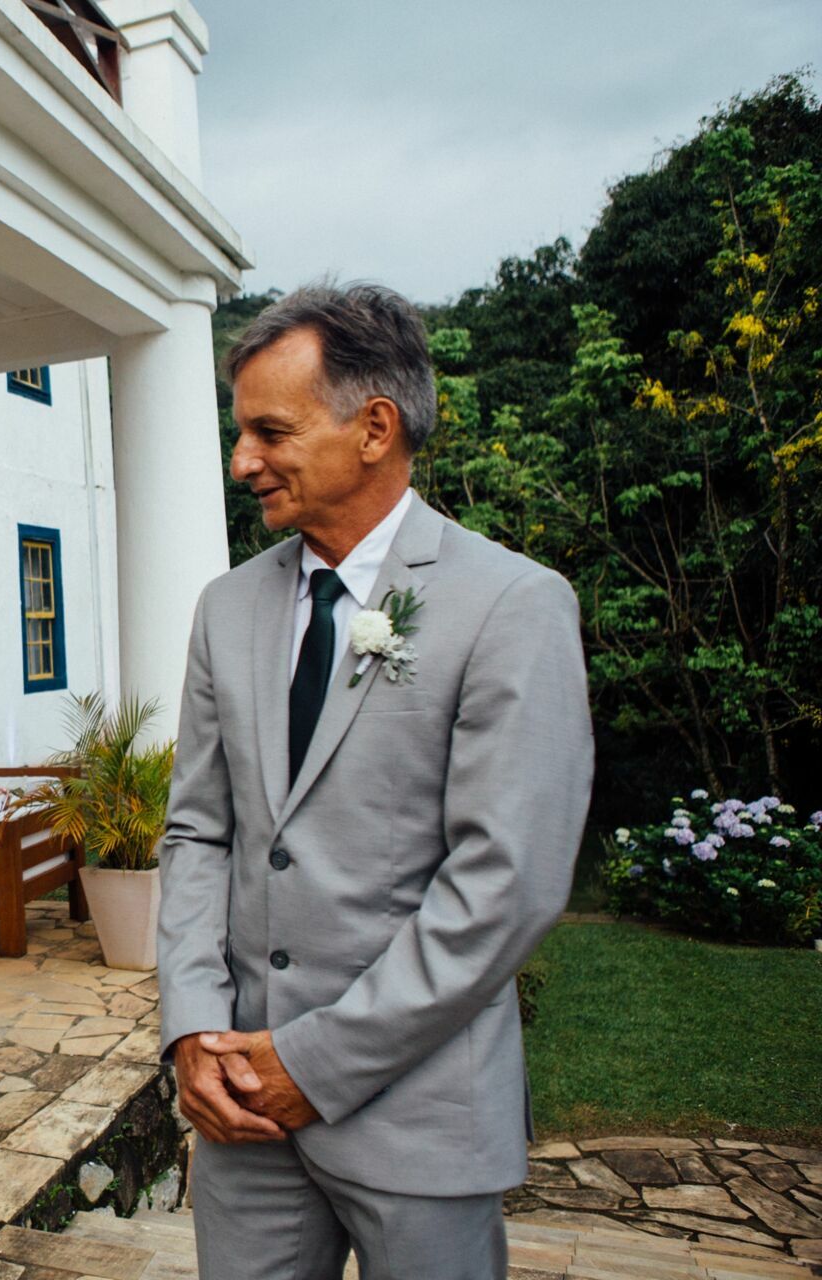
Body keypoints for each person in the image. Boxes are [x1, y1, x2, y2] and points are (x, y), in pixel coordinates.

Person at [156, 284, 593, 1279]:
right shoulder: (226, 607)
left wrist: (313, 1063)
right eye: (240, 433)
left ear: (375, 428)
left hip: (420, 1117)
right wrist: (192, 1027)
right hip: (241, 1116)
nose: (241, 461)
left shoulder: (512, 604)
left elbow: (506, 883)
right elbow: (198, 832)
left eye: (271, 432)